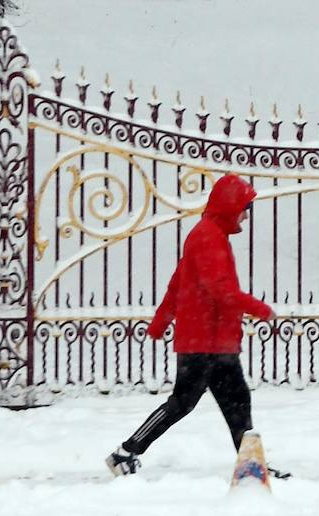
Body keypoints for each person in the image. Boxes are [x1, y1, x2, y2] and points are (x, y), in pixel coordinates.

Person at [106, 174, 281, 477]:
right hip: (204, 343)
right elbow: (221, 292)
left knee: (236, 402)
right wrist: (261, 309)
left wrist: (161, 321)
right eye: (244, 207)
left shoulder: (209, 235)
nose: (246, 215)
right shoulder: (207, 237)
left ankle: (252, 468)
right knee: (182, 404)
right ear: (230, 207)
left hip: (214, 341)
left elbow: (178, 281)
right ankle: (127, 451)